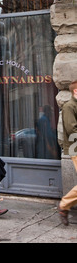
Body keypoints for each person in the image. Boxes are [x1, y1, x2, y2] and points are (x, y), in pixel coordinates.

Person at [57, 80, 77, 226]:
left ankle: (65, 205)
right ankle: (64, 205)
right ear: (75, 91)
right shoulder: (69, 106)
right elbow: (72, 130)